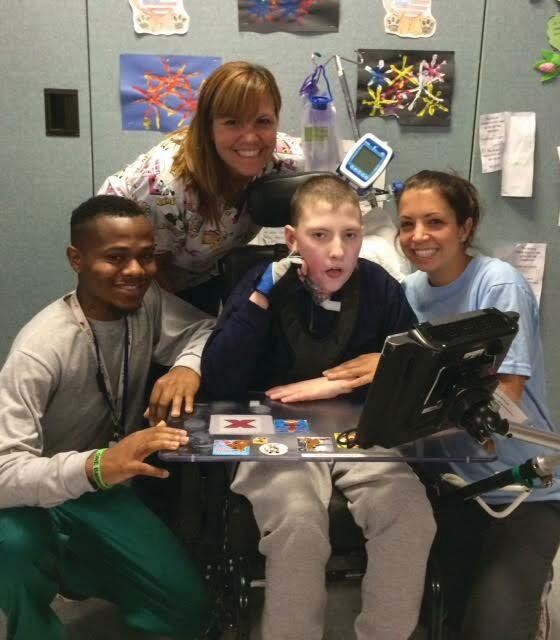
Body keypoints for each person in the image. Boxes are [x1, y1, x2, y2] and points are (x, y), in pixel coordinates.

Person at [201, 175, 436, 640]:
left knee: (411, 518)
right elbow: (219, 379)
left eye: (350, 236)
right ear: (292, 239)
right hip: (272, 433)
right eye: (320, 235)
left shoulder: (379, 287)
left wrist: (342, 382)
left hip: (356, 430)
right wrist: (260, 298)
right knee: (299, 525)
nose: (337, 251)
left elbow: (407, 371)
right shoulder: (261, 283)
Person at [0, 195, 217, 640]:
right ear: (76, 259)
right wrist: (97, 466)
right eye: (116, 258)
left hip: (101, 491)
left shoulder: (147, 303)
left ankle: (73, 567)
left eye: (145, 256)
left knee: (187, 612)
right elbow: (4, 473)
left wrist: (185, 367)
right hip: (33, 497)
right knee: (14, 545)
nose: (135, 271)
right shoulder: (39, 350)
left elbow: (204, 328)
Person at [396, 169, 560, 640]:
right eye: (407, 224)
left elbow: (504, 400)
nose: (418, 236)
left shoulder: (498, 284)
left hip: (521, 488)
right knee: (430, 622)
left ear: (466, 227)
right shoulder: (406, 294)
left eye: (435, 222)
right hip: (451, 489)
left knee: (491, 629)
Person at [98, 60, 303, 314]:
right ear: (208, 127)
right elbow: (153, 269)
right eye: (232, 122)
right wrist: (192, 326)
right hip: (133, 268)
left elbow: (338, 169)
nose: (250, 137)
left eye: (263, 121)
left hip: (201, 265)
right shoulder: (167, 185)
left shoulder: (283, 158)